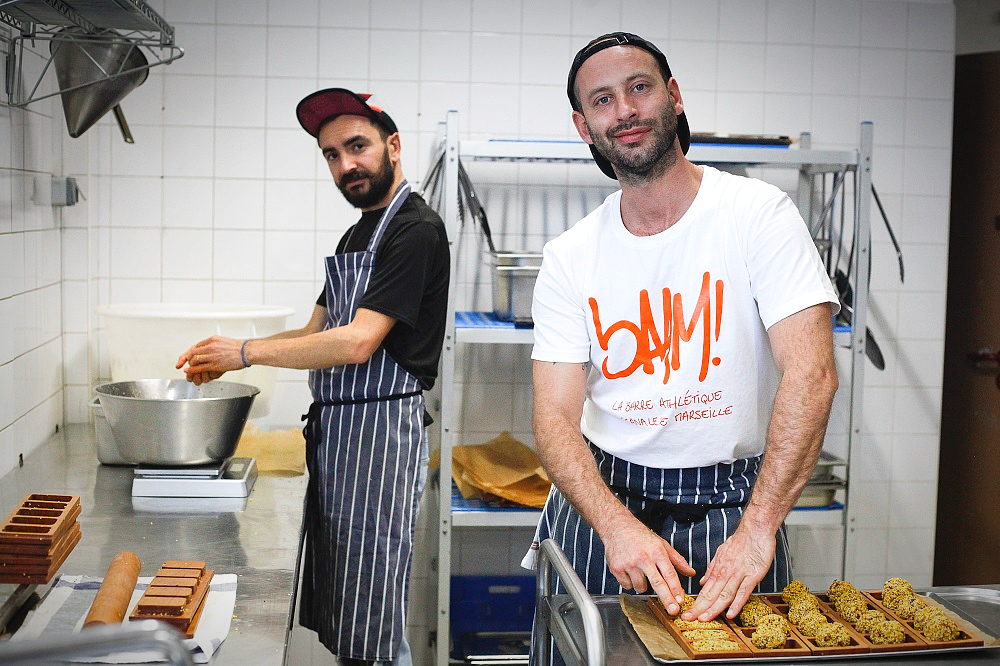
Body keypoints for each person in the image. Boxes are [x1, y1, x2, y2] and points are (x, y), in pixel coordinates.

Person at [524, 31, 840, 636]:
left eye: (639, 88)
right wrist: (615, 528)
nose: (626, 110)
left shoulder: (757, 215)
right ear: (584, 126)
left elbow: (813, 374)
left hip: (734, 510)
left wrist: (758, 529)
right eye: (603, 100)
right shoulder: (570, 256)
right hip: (603, 505)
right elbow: (554, 420)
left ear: (673, 96)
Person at [176, 88, 450, 666]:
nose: (345, 164)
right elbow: (313, 332)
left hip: (379, 435)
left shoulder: (415, 230)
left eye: (356, 146)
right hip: (341, 437)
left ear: (392, 146)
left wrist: (246, 352)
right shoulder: (357, 234)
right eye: (331, 154)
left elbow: (355, 342)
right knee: (349, 598)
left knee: (372, 607)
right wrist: (224, 354)